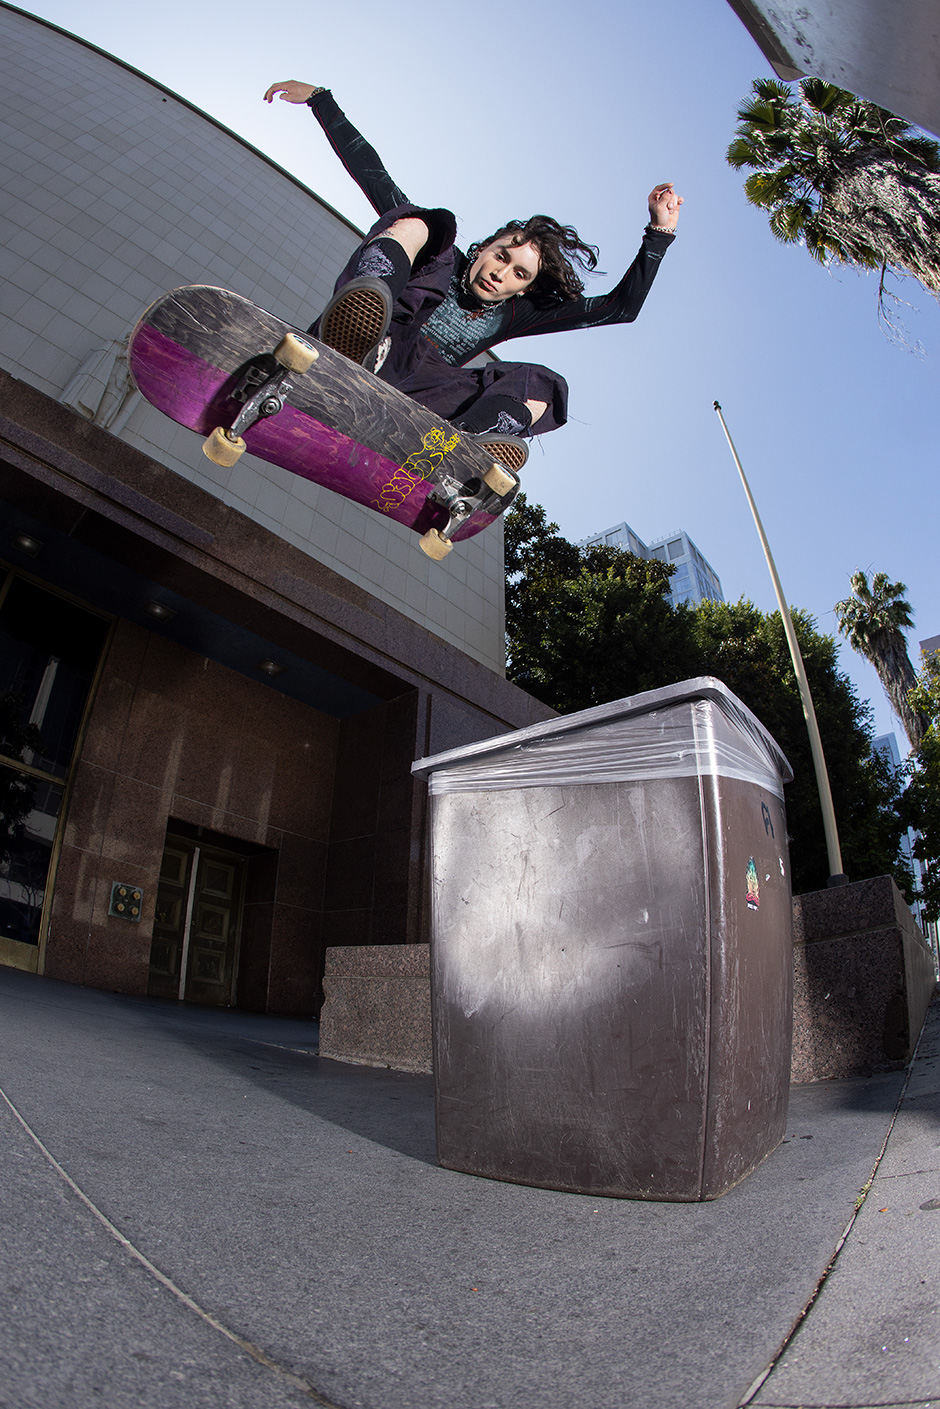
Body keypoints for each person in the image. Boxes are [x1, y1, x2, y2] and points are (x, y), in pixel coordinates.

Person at [263, 80, 682, 468]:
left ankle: (465, 443)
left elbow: (618, 309)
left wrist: (659, 234)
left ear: (526, 288)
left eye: (519, 274)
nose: (502, 274)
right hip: (376, 343)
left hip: (420, 397)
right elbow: (375, 177)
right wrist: (321, 100)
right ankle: (356, 333)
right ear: (483, 250)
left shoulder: (517, 313)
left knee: (543, 385)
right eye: (501, 257)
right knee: (427, 223)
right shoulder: (443, 257)